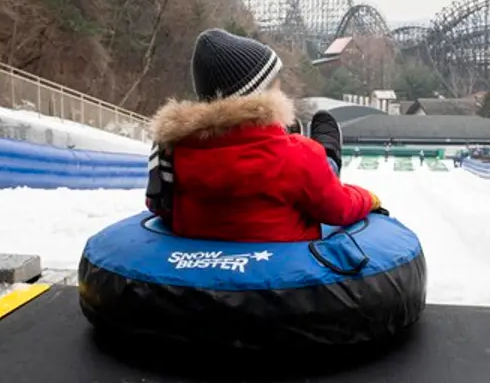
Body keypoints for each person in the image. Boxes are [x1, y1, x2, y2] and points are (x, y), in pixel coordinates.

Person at [145, 28, 384, 243]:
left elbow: (160, 206)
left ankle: (323, 158)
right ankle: (330, 156)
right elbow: (338, 208)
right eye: (276, 86)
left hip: (201, 281)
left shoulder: (174, 153)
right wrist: (368, 198)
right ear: (263, 95)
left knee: (306, 164)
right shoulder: (295, 155)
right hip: (284, 281)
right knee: (319, 163)